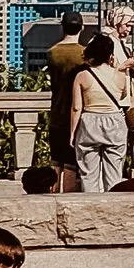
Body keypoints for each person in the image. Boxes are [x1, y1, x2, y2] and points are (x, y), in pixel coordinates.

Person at [70, 32, 130, 193]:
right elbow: (123, 97)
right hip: (114, 121)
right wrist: (116, 66)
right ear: (110, 55)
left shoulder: (82, 76)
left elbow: (76, 108)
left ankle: (89, 207)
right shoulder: (120, 76)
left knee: (88, 174)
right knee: (114, 174)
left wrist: (72, 133)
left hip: (90, 120)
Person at [45, 11, 87, 193]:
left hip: (57, 110)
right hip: (77, 113)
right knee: (71, 164)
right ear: (82, 27)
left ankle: (53, 194)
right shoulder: (84, 54)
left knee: (56, 161)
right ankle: (67, 198)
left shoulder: (52, 53)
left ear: (62, 26)